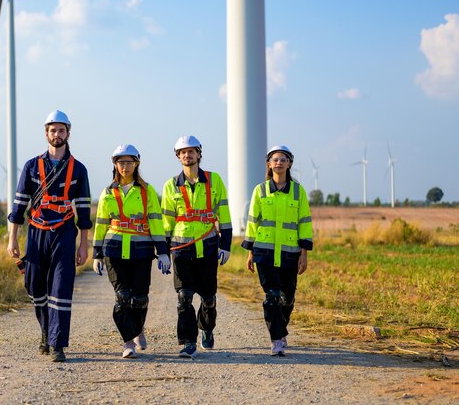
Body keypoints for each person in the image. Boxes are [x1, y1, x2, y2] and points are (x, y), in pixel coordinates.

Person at [7, 110, 92, 363]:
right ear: (46, 133)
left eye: (62, 130)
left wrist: (83, 245)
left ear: (68, 133)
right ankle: (46, 330)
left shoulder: (79, 169)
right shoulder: (32, 166)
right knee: (34, 286)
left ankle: (57, 344)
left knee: (61, 287)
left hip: (64, 232)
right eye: (53, 130)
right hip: (36, 231)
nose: (57, 134)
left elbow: (84, 211)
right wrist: (12, 239)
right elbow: (19, 205)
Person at [92, 144, 170, 359]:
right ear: (115, 164)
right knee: (123, 296)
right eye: (120, 162)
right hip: (114, 249)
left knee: (140, 297)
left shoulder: (147, 191)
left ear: (136, 164)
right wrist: (97, 254)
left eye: (129, 162)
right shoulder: (108, 192)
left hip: (141, 250)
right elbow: (100, 224)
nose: (125, 166)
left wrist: (162, 251)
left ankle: (138, 328)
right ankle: (128, 342)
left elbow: (156, 222)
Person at [161, 135, 232, 358]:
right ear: (178, 156)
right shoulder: (171, 185)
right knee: (184, 296)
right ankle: (188, 342)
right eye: (183, 152)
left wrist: (226, 244)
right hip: (181, 249)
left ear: (199, 154)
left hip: (209, 246)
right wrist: (162, 252)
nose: (187, 155)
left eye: (191, 151)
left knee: (209, 298)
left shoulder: (215, 180)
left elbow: (225, 215)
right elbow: (166, 222)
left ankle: (207, 328)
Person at [241, 145, 313, 356]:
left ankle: (281, 330)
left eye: (283, 159)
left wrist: (304, 253)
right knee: (272, 296)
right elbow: (253, 222)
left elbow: (305, 222)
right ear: (269, 164)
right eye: (275, 159)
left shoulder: (298, 191)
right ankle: (276, 339)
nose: (279, 163)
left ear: (289, 164)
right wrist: (250, 252)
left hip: (290, 253)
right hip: (264, 252)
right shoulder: (260, 190)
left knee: (287, 297)